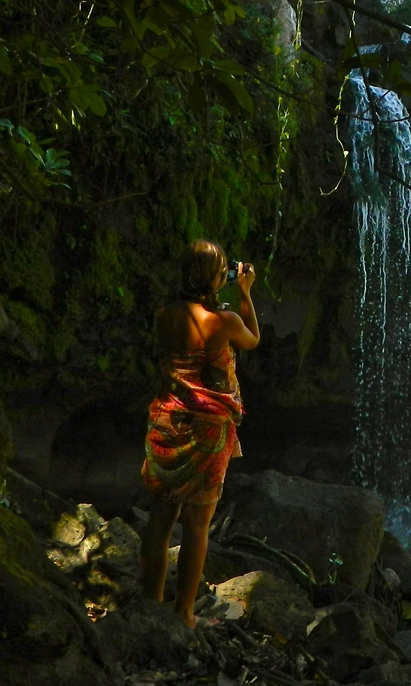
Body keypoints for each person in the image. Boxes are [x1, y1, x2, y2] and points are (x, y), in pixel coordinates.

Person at [137, 239, 260, 627]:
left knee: (160, 519)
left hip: (167, 423)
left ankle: (150, 603)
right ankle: (184, 612)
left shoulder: (164, 316)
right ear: (216, 276)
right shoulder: (225, 322)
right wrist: (244, 293)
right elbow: (252, 340)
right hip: (208, 430)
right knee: (197, 524)